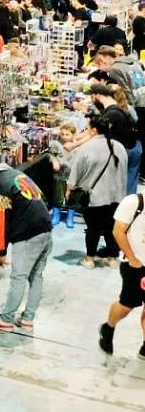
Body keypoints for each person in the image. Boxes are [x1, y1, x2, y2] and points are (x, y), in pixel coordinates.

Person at [0, 160, 53, 332]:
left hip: (28, 235)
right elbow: (42, 198)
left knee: (18, 278)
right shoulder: (16, 174)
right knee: (36, 276)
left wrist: (0, 251)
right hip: (46, 228)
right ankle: (28, 319)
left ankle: (6, 320)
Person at [63, 116, 129, 267]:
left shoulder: (86, 148)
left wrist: (69, 189)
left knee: (93, 227)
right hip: (116, 196)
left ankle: (89, 259)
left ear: (93, 130)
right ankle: (112, 258)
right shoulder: (119, 147)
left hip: (94, 196)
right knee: (111, 227)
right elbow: (124, 171)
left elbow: (76, 172)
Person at [101, 189, 145, 357]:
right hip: (135, 265)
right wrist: (133, 259)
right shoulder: (134, 202)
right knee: (127, 305)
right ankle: (108, 327)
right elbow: (118, 231)